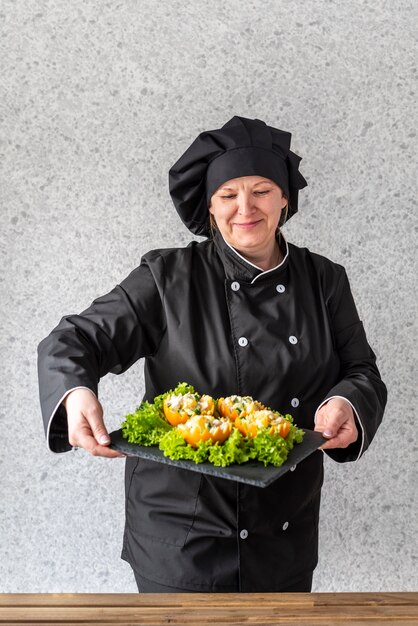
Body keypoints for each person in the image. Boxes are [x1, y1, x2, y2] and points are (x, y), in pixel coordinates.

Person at [37, 115, 387, 593]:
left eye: (262, 190)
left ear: (285, 197)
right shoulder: (168, 279)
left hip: (282, 532)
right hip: (181, 538)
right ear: (210, 205)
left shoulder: (325, 281)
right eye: (228, 195)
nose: (246, 207)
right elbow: (75, 338)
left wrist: (348, 401)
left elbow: (361, 370)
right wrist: (76, 392)